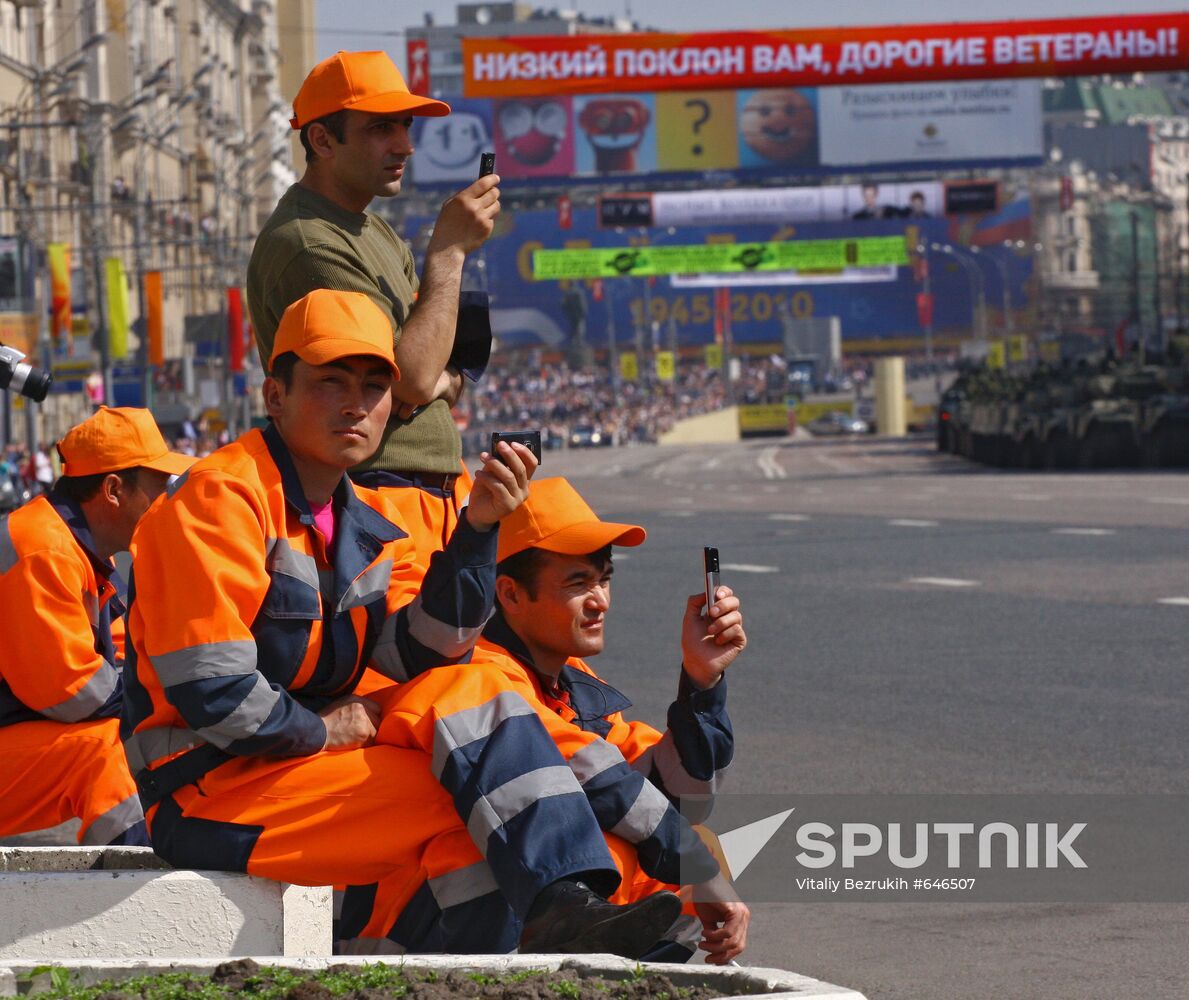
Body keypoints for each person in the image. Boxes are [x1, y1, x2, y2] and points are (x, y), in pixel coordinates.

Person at [122, 289, 682, 956]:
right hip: (208, 792)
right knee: (484, 798)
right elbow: (211, 688)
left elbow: (419, 655)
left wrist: (476, 531)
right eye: (331, 383)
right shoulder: (221, 498)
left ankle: (527, 933)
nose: (356, 404)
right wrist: (321, 730)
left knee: (479, 752)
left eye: (374, 385)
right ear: (275, 396)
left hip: (293, 775)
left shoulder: (359, 520)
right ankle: (561, 917)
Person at [476, 477, 751, 964]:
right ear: (511, 594)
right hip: (443, 944)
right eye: (577, 583)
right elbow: (603, 781)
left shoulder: (568, 678)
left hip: (511, 926)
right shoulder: (482, 673)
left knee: (683, 843)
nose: (600, 600)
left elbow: (680, 797)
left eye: (603, 579)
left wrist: (701, 681)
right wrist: (698, 866)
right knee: (644, 849)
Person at [247, 50, 499, 566]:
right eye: (381, 129)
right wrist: (449, 253)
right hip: (379, 495)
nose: (405, 145)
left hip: (423, 492)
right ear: (322, 140)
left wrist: (437, 379)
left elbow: (426, 369)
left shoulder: (370, 228)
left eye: (405, 126)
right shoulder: (310, 244)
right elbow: (410, 379)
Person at [0, 407, 194, 847]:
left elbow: (130, 656)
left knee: (147, 736)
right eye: (158, 487)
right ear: (113, 490)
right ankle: (137, 904)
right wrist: (173, 702)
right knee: (106, 753)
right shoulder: (43, 548)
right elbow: (70, 690)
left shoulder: (80, 550)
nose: (166, 500)